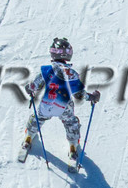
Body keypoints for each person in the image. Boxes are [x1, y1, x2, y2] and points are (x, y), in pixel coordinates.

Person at [22, 37, 98, 165]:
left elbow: (35, 85)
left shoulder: (47, 70)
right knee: (71, 122)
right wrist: (91, 97)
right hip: (64, 107)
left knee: (37, 117)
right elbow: (79, 94)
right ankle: (73, 147)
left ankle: (29, 137)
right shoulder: (72, 74)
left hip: (46, 105)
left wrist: (29, 89)